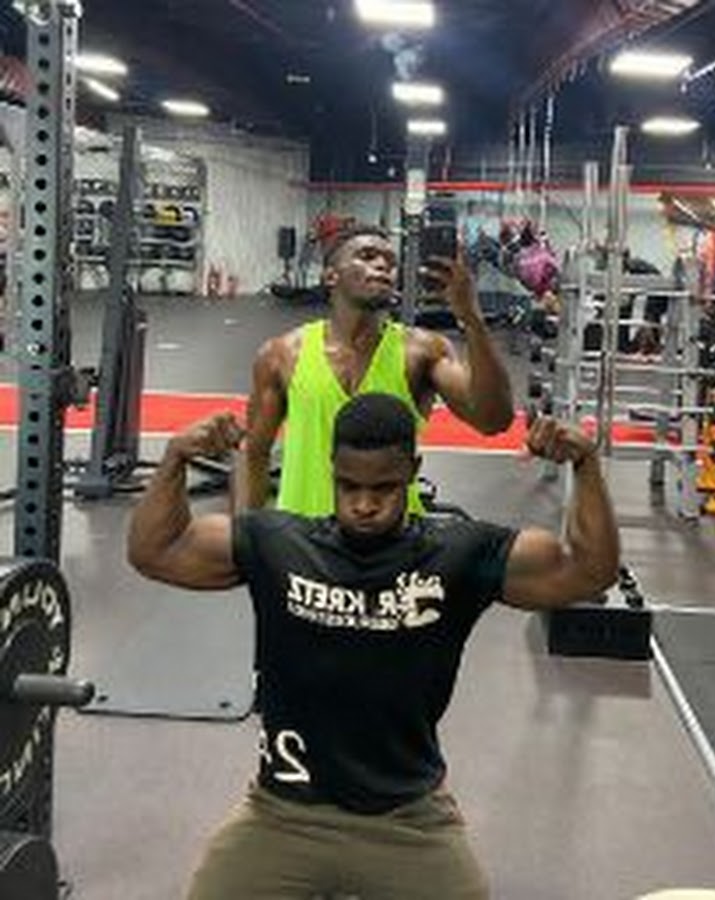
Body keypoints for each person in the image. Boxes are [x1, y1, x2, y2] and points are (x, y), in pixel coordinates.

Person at [128, 392, 619, 900]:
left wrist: (585, 465)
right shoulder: (281, 545)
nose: (364, 504)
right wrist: (175, 458)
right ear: (332, 471)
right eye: (349, 486)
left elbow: (587, 572)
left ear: (413, 472)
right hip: (284, 815)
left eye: (383, 488)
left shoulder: (456, 554)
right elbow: (154, 551)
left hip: (407, 820)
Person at [234, 223, 514, 517]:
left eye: (391, 262)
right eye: (367, 256)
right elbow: (255, 452)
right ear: (331, 275)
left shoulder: (423, 352)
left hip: (395, 536)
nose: (383, 266)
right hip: (303, 534)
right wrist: (244, 535)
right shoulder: (282, 355)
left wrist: (471, 318)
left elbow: (493, 421)